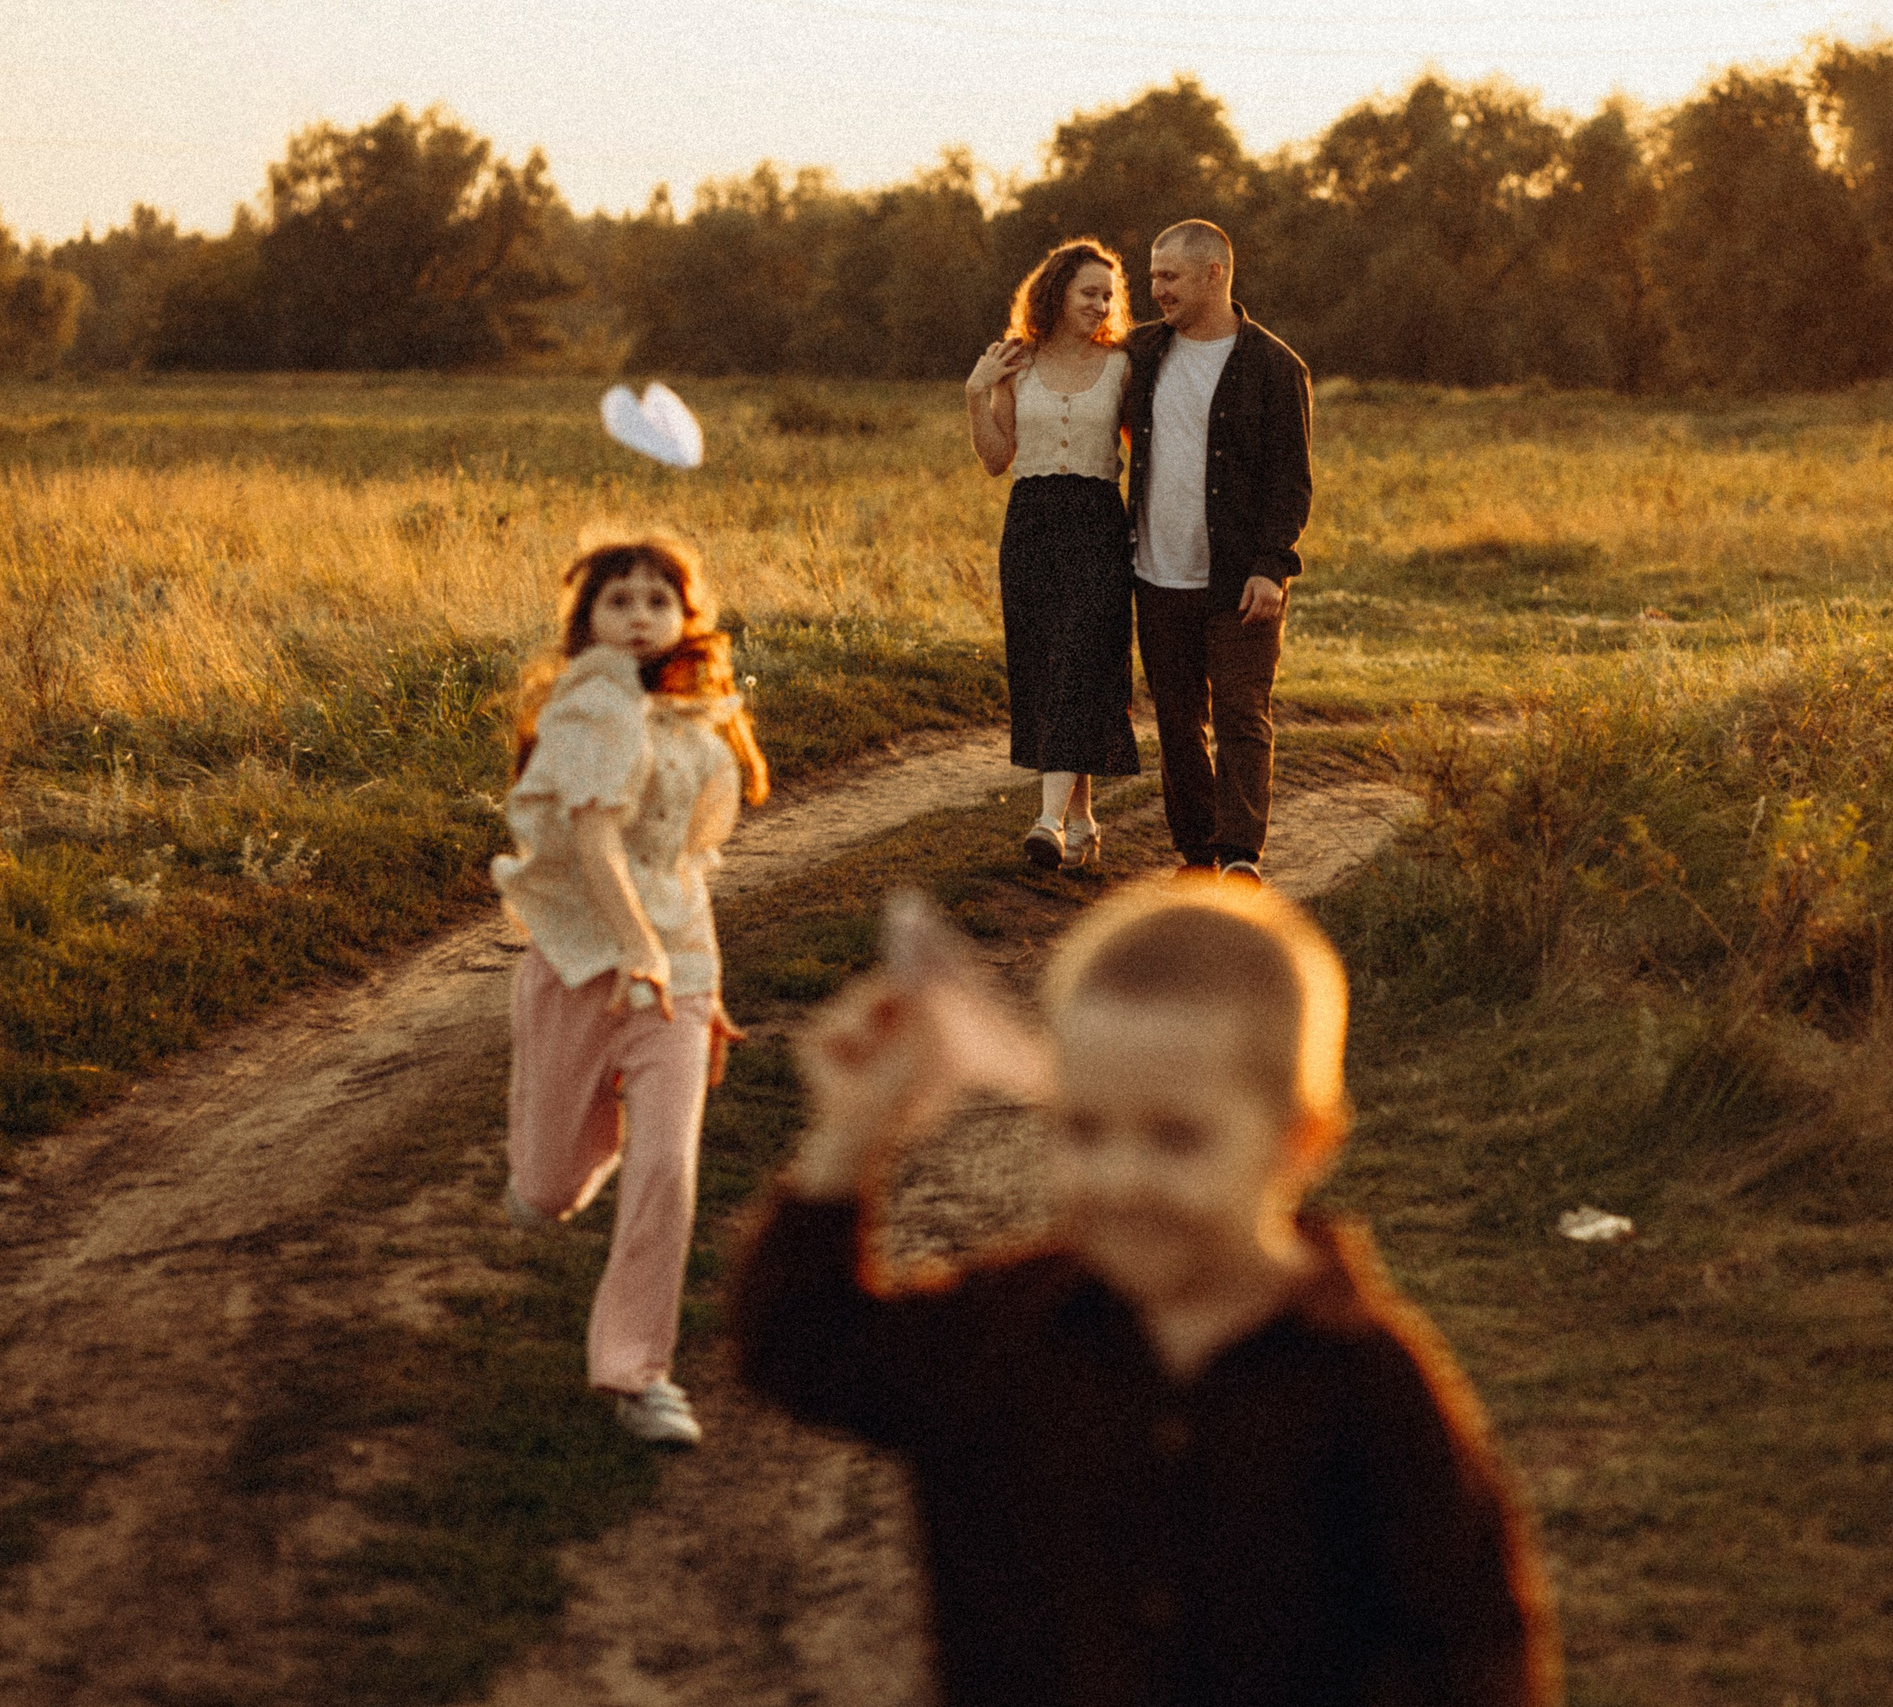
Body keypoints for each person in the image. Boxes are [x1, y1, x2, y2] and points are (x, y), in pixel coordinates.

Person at [735, 879, 1563, 1706]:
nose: (1122, 1179)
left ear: (1298, 1142)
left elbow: (1477, 1647)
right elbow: (798, 1344)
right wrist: (849, 1135)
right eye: (1084, 1129)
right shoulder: (1006, 1333)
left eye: (1176, 1137)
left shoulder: (1364, 1380)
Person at [492, 531, 769, 1446]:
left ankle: (636, 1370)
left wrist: (695, 979)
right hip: (583, 967)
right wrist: (636, 950)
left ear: (688, 615)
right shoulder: (590, 710)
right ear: (587, 621)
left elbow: (684, 867)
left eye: (658, 598)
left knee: (665, 1170)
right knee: (550, 1181)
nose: (641, 615)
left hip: (674, 980)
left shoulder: (698, 717)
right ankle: (546, 1177)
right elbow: (600, 844)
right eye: (620, 600)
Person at [1124, 219, 1313, 880]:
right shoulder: (1141, 354)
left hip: (1239, 579)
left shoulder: (1275, 366)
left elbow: (1291, 482)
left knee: (1240, 715)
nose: (1156, 290)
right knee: (1177, 724)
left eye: (1168, 276)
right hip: (1155, 572)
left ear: (1214, 274)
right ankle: (1197, 852)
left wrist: (1271, 566)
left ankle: (1239, 855)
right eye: (1152, 277)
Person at [966, 238, 1143, 870]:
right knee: (1049, 668)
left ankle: (1046, 821)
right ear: (1057, 293)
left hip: (1098, 522)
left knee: (1079, 661)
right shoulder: (1018, 361)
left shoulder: (1125, 365)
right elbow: (995, 460)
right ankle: (1084, 822)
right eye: (1089, 292)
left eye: (1108, 294)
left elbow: (1143, 448)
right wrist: (976, 394)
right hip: (1031, 523)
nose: (1102, 304)